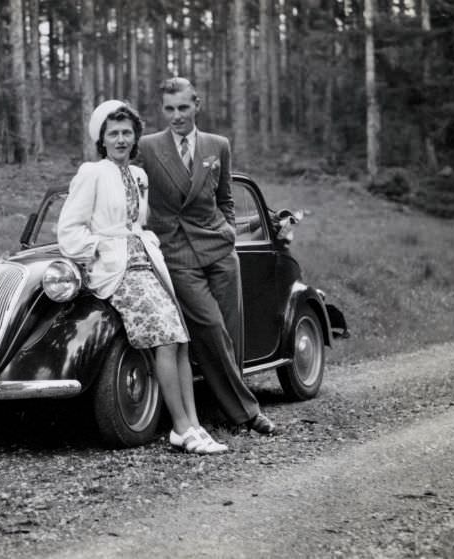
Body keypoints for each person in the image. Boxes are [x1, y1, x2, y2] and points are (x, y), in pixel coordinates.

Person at [58, 99, 227, 454]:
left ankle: (192, 426)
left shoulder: (139, 176)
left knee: (180, 338)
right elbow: (69, 231)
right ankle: (180, 426)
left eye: (127, 133)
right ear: (101, 140)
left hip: (147, 263)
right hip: (116, 270)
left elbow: (139, 223)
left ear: (136, 138)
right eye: (113, 134)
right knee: (164, 339)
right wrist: (101, 249)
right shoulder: (92, 173)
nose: (121, 140)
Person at [137, 77, 276, 435]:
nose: (176, 116)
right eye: (169, 109)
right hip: (177, 251)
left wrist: (229, 231)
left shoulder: (218, 145)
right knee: (211, 328)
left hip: (219, 249)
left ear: (198, 105)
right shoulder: (148, 147)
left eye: (183, 107)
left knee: (231, 332)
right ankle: (247, 413)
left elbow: (226, 198)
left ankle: (220, 410)